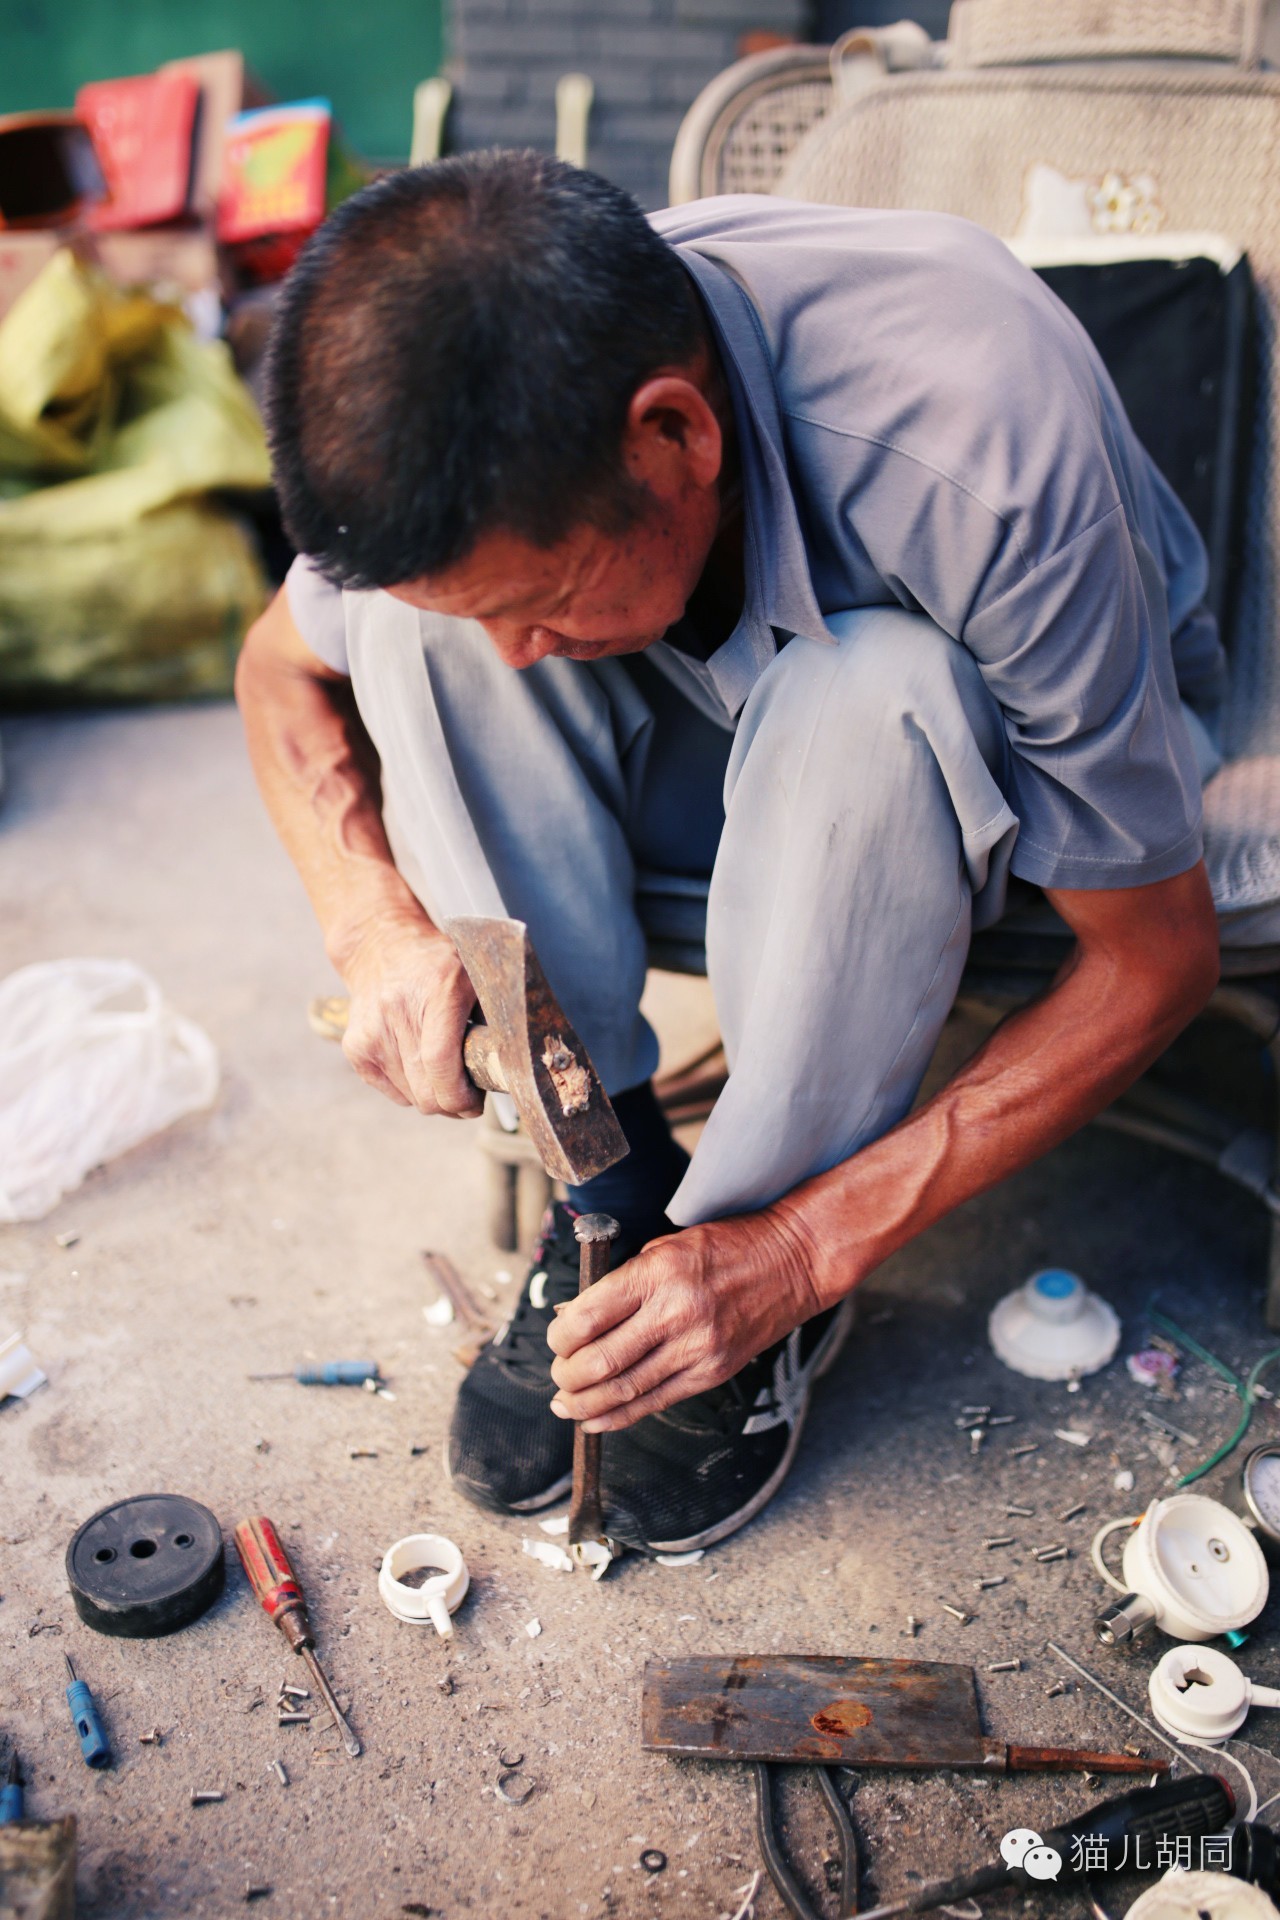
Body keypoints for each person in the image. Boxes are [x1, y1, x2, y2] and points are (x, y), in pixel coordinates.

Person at [236, 151, 1221, 1554]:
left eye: (543, 600)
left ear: (677, 438)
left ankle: (749, 1268)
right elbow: (276, 674)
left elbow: (1158, 958)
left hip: (1007, 753)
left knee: (864, 689)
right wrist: (372, 923)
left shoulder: (972, 434)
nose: (516, 653)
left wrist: (799, 1250)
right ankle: (617, 1197)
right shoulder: (458, 446)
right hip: (702, 708)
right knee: (410, 634)